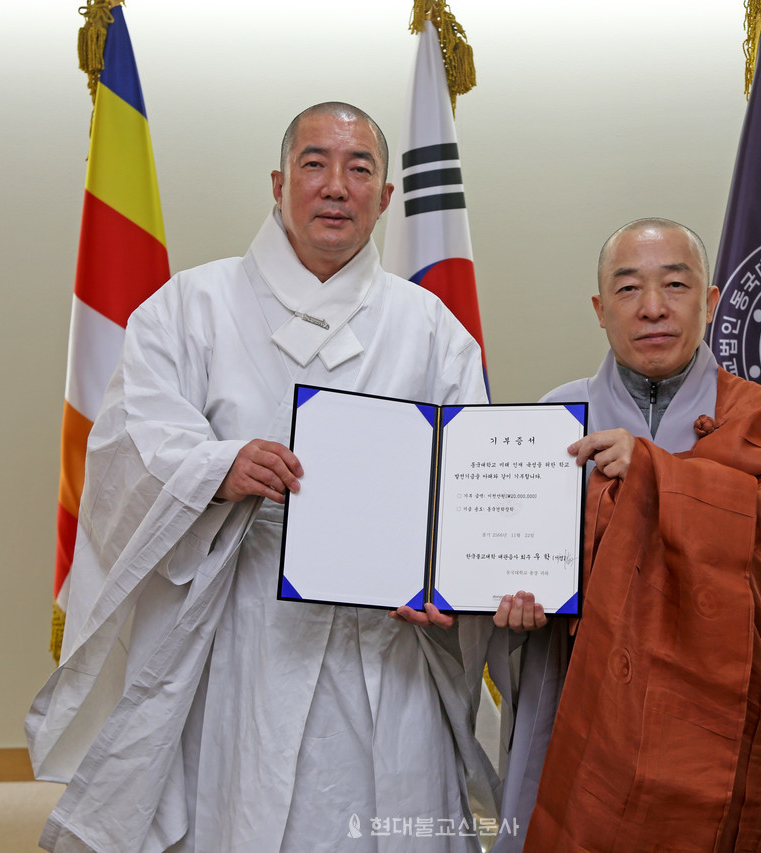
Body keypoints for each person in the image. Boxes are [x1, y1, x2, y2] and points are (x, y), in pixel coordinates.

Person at [26, 102, 498, 853]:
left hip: (385, 632)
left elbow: (470, 477)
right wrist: (217, 467)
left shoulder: (431, 326)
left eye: (360, 168)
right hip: (242, 625)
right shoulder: (190, 306)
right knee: (243, 814)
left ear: (387, 197)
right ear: (278, 185)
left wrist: (445, 577)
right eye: (315, 164)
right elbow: (128, 441)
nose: (335, 186)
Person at [492, 219, 761, 852]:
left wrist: (657, 476)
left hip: (711, 704)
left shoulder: (758, 417)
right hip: (583, 690)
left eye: (675, 285)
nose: (653, 308)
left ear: (709, 303)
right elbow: (516, 551)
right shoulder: (553, 419)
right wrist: (517, 609)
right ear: (600, 310)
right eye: (628, 290)